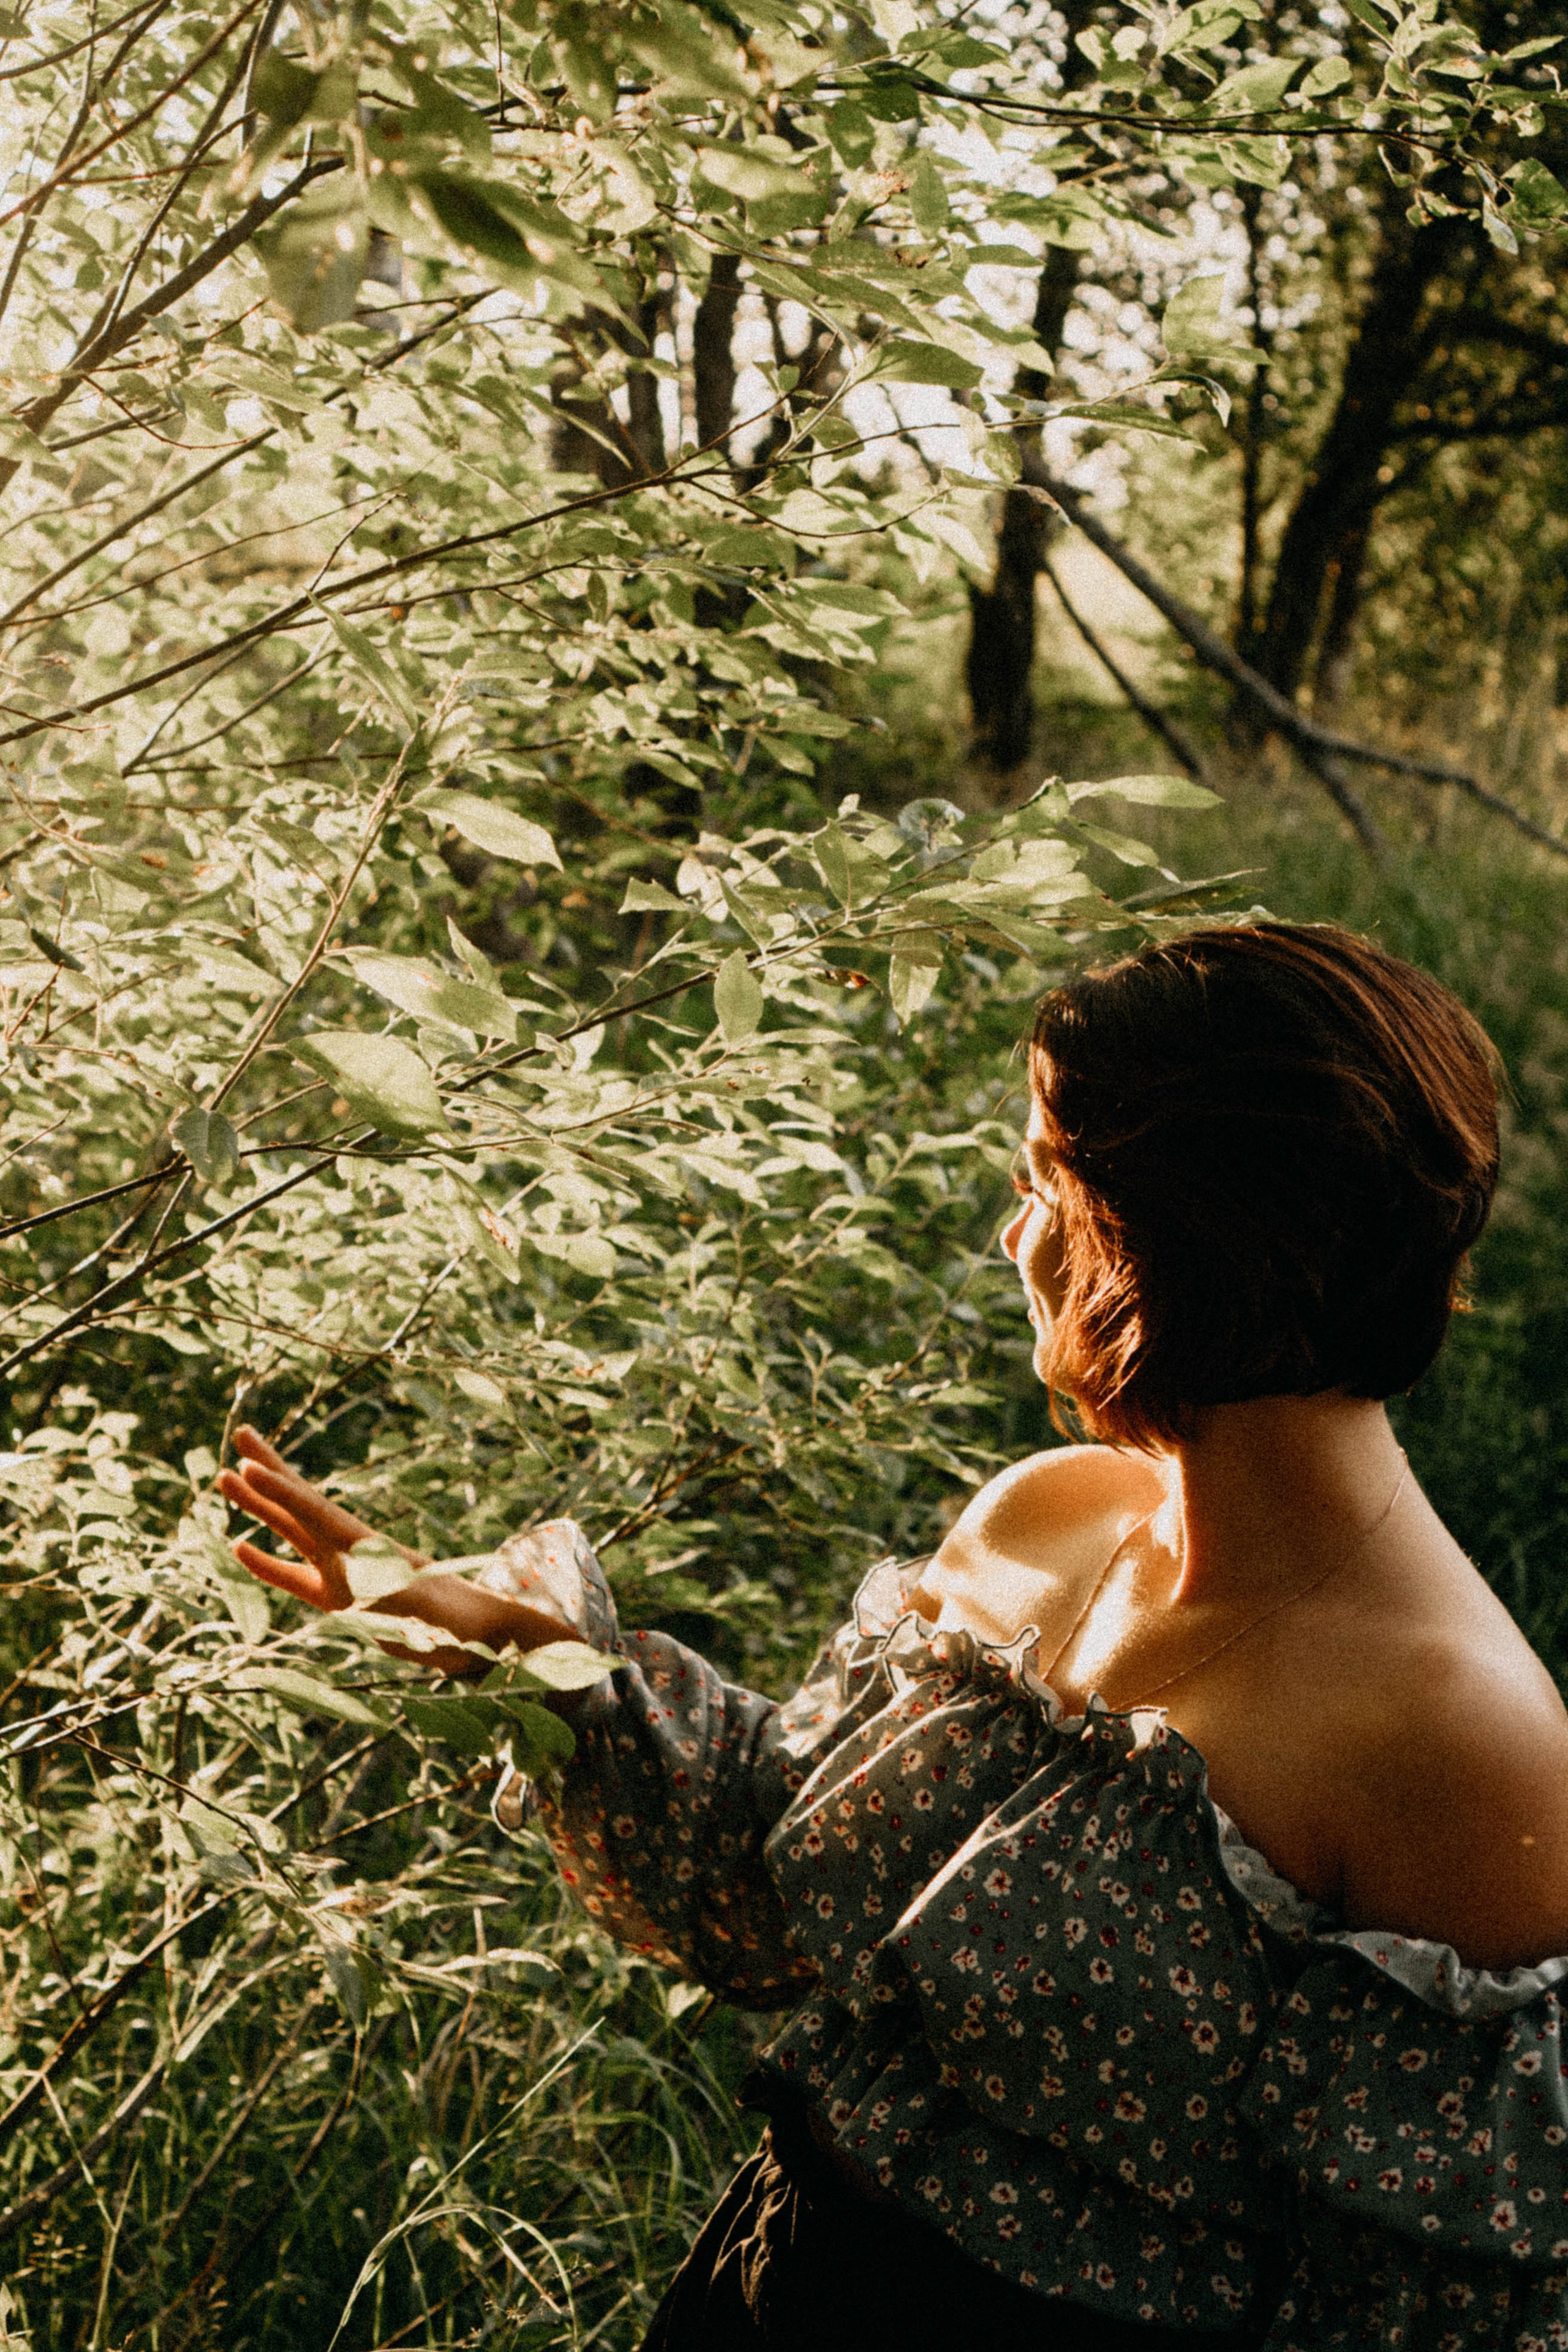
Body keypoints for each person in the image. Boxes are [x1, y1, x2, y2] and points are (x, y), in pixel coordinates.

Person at [221, 922, 1568, 2352]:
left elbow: (1456, 2305)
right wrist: (536, 1659)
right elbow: (780, 1878)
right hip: (772, 2285)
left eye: (1044, 1182)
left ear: (1176, 1234)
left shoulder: (1458, 1735)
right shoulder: (1047, 1519)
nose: (1015, 1237)